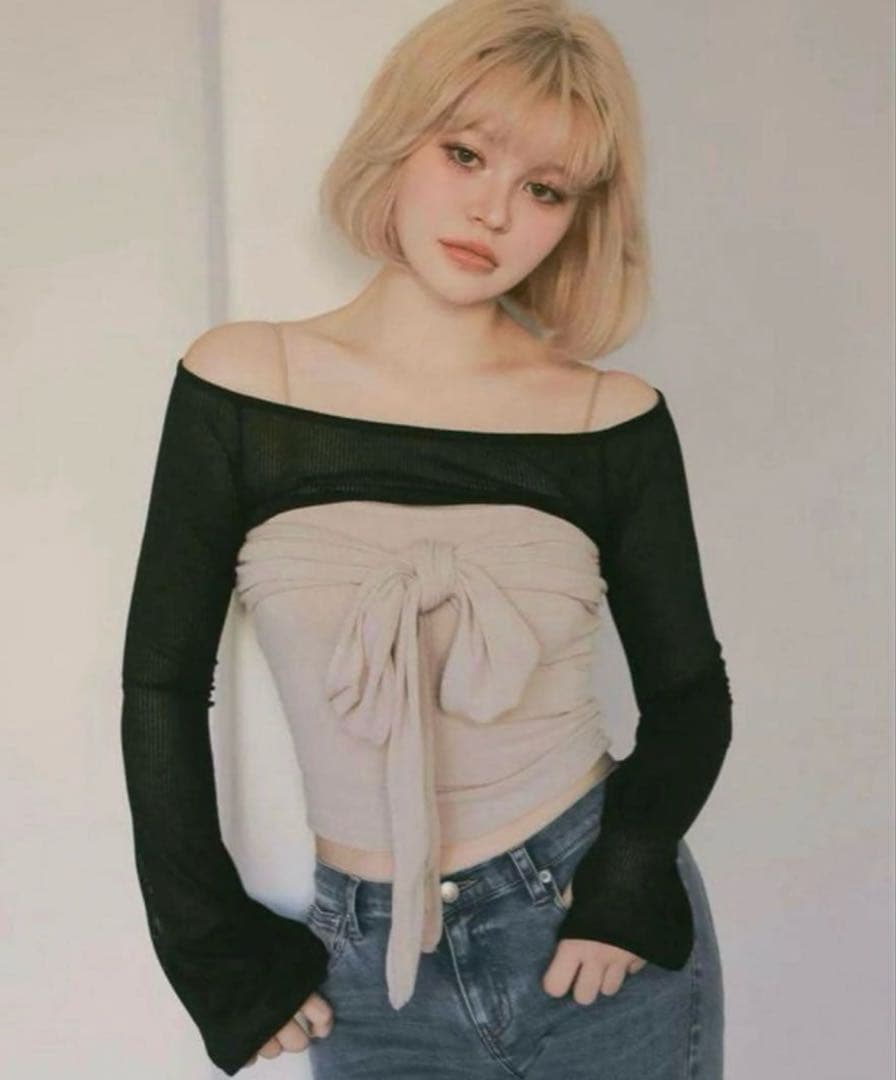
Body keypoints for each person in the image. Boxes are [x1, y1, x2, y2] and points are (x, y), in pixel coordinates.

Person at [120, 1, 733, 1076]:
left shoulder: (608, 418)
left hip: (588, 934)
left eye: (543, 190)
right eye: (466, 155)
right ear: (400, 140)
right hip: (363, 966)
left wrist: (628, 877)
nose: (492, 212)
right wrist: (209, 945)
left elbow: (689, 697)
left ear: (576, 217)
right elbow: (160, 686)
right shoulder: (243, 384)